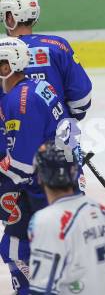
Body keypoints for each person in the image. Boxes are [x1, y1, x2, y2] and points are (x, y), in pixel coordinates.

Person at [0, 37, 72, 294]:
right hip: (58, 180)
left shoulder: (19, 99)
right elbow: (70, 128)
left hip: (40, 188)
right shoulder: (39, 86)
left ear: (10, 66)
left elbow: (21, 165)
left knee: (14, 248)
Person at [28, 140, 105, 295]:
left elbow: (42, 288)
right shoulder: (99, 209)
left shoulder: (46, 220)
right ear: (75, 172)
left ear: (40, 177)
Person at [0, 0, 92, 122]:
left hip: (11, 136)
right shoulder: (57, 45)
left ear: (10, 17)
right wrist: (65, 120)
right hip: (58, 135)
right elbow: (81, 96)